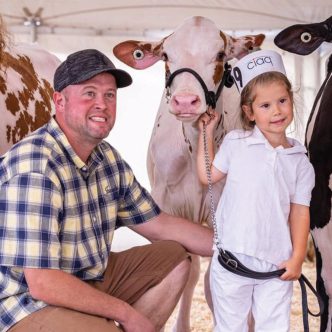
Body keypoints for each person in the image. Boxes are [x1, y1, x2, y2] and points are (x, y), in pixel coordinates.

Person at [0, 49, 213, 332]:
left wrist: (237, 248)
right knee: (111, 327)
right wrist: (125, 314)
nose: (102, 104)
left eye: (109, 95)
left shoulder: (106, 158)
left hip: (86, 276)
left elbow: (160, 225)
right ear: (59, 101)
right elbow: (43, 283)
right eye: (89, 93)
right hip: (27, 301)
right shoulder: (35, 166)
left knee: (174, 259)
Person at [196, 50, 315, 331]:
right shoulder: (237, 143)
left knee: (274, 327)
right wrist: (206, 134)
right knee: (230, 327)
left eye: (282, 101)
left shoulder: (300, 161)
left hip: (276, 267)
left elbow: (300, 212)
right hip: (232, 262)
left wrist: (297, 257)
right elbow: (208, 175)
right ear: (249, 112)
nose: (276, 111)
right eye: (265, 105)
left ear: (291, 101)